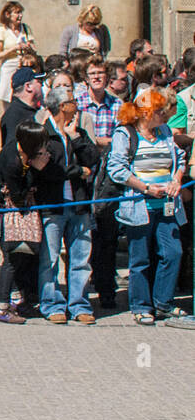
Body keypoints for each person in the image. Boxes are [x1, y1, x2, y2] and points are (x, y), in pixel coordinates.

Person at [108, 87, 189, 325]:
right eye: (159, 111)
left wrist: (176, 179)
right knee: (140, 258)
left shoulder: (164, 131)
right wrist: (145, 187)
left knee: (173, 252)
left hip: (167, 205)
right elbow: (117, 169)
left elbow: (180, 159)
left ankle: (163, 303)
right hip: (139, 206)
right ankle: (141, 306)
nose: (165, 116)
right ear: (146, 113)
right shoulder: (125, 134)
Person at [34, 86, 99, 324]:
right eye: (73, 101)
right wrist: (76, 171)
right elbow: (46, 170)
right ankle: (52, 304)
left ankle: (79, 304)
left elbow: (93, 159)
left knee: (81, 258)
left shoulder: (77, 132)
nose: (77, 105)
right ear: (62, 106)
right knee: (49, 259)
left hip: (79, 204)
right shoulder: (43, 134)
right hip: (53, 205)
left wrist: (77, 139)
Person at [0, 121, 53, 325]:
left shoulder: (21, 154)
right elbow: (17, 196)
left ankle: (16, 300)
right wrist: (37, 170)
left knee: (18, 257)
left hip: (5, 213)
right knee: (10, 258)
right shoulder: (13, 160)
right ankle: (2, 307)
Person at [75, 56, 124, 310]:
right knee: (81, 235)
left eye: (101, 73)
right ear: (85, 77)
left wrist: (95, 139)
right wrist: (99, 140)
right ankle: (78, 293)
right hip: (83, 173)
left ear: (107, 77)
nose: (96, 77)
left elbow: (122, 139)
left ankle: (107, 290)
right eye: (92, 73)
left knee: (107, 235)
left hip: (109, 176)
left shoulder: (117, 104)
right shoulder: (77, 103)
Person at [0, 1, 36, 104]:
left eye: (21, 12)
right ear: (8, 14)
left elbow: (34, 48)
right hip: (9, 67)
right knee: (8, 99)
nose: (20, 16)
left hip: (25, 66)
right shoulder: (2, 30)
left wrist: (28, 47)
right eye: (17, 12)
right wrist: (13, 48)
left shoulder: (25, 28)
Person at [0, 68, 42, 145]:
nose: (42, 85)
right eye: (39, 82)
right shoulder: (14, 116)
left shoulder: (29, 110)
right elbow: (12, 150)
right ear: (28, 86)